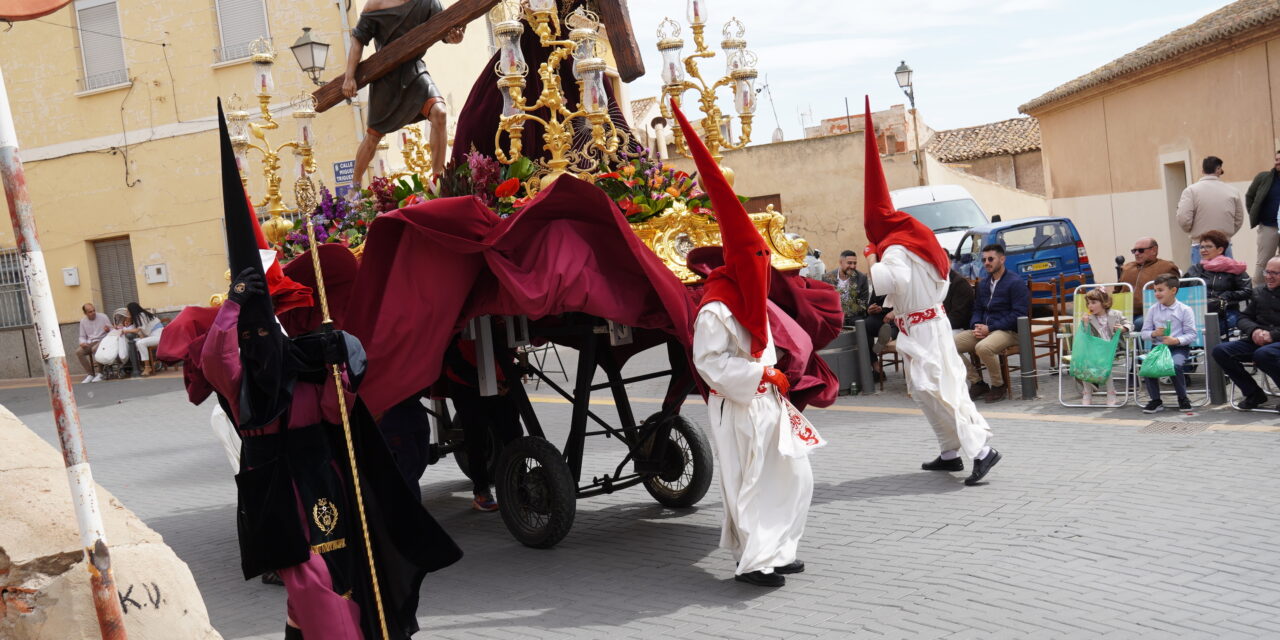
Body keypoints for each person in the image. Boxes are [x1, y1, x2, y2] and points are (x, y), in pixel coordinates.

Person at [676, 100, 819, 588]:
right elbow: (709, 362)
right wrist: (760, 375)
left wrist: (773, 375)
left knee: (794, 476)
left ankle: (779, 548)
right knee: (753, 482)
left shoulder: (750, 299)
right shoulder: (716, 308)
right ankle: (756, 561)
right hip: (740, 406)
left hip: (769, 402)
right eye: (757, 257)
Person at [861, 97, 1000, 486]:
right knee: (926, 390)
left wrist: (874, 257)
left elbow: (891, 284)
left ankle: (981, 451)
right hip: (926, 324)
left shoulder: (893, 249)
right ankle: (950, 451)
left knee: (938, 388)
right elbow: (937, 282)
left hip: (923, 328)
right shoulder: (919, 240)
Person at [342, 0, 465, 186]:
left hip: (414, 71)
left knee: (439, 112)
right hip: (386, 78)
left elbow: (445, 30)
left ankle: (438, 180)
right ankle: (355, 187)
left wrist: (454, 37)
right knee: (373, 136)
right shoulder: (375, 5)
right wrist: (349, 76)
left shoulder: (428, 2)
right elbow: (358, 41)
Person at [443, 335, 522, 512]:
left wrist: (509, 379)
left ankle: (520, 485)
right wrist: (483, 382)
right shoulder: (459, 322)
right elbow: (453, 358)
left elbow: (512, 347)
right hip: (466, 384)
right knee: (476, 438)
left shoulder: (502, 318)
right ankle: (481, 492)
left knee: (514, 434)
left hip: (500, 379)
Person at [954, 243, 1030, 403]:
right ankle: (977, 382)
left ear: (1002, 259)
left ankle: (998, 385)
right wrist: (976, 325)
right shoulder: (983, 284)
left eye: (991, 259)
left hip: (1009, 331)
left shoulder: (1015, 282)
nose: (987, 262)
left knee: (983, 348)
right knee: (946, 346)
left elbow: (1018, 314)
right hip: (986, 329)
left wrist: (991, 328)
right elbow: (977, 309)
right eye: (984, 260)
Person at [1213, 256, 1280, 411]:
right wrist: (1254, 330)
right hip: (1258, 340)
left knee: (1264, 354)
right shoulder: (1259, 292)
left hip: (1275, 342)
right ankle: (1253, 393)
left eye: (1275, 273)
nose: (1268, 276)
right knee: (1220, 351)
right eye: (1267, 272)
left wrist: (1272, 335)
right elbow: (1243, 317)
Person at [1139, 274, 1197, 414]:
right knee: (1149, 365)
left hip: (1178, 348)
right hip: (1158, 347)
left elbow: (1192, 334)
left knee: (1175, 365)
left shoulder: (1185, 310)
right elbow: (1144, 333)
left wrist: (1176, 340)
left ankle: (1183, 398)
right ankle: (1156, 400)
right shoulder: (1153, 310)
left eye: (1160, 290)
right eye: (1155, 291)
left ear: (1173, 290)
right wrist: (1154, 334)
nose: (1157, 294)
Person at [1176, 155, 1245, 265]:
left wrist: (1192, 231)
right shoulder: (1232, 191)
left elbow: (1183, 218)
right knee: (1226, 279)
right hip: (1224, 244)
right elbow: (1238, 219)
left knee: (1201, 280)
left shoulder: (1191, 191)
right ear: (1218, 169)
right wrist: (1225, 234)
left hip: (1200, 244)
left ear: (1203, 170)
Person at [1184, 229, 1250, 337]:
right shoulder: (1195, 269)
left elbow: (1247, 291)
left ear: (1220, 250)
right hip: (1198, 312)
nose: (1203, 250)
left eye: (1208, 246)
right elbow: (1181, 288)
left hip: (1226, 312)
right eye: (1201, 247)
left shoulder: (1234, 268)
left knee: (1212, 330)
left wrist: (1227, 296)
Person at [1078, 288, 1131, 407]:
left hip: (1114, 348)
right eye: (1088, 303)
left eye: (1093, 303)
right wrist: (1085, 324)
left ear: (1104, 302)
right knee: (1084, 360)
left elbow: (1129, 323)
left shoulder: (1116, 314)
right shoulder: (1088, 318)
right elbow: (1084, 336)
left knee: (1102, 361)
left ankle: (1111, 392)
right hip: (1095, 349)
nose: (1090, 306)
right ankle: (1087, 392)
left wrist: (1124, 328)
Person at [1119, 237, 1180, 330]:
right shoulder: (1127, 268)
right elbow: (1117, 292)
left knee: (1139, 323)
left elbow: (1176, 293)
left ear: (1154, 250)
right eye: (1134, 251)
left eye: (1140, 250)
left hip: (1155, 313)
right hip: (1126, 314)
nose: (1136, 253)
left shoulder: (1167, 267)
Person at [1245, 151, 1280, 282]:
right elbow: (1250, 196)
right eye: (1276, 159)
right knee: (1264, 262)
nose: (1278, 162)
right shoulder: (1264, 178)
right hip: (1268, 226)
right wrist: (1255, 214)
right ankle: (1258, 293)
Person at [821, 250, 870, 326]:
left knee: (864, 323)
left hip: (854, 316)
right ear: (840, 262)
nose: (853, 266)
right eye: (849, 263)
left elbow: (863, 304)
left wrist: (847, 314)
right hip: (833, 315)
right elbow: (824, 301)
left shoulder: (862, 278)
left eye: (855, 263)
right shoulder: (827, 278)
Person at [123, 302, 164, 377]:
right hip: (153, 336)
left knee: (140, 343)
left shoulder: (141, 315)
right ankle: (140, 365)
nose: (127, 312)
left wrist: (125, 330)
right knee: (135, 342)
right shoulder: (138, 318)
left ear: (132, 310)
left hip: (159, 336)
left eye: (128, 311)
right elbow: (141, 334)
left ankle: (147, 367)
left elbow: (137, 331)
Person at [76, 302, 111, 383]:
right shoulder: (83, 321)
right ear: (85, 313)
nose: (93, 313)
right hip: (90, 341)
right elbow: (82, 336)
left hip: (103, 339)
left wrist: (108, 330)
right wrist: (82, 342)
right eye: (90, 312)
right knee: (79, 352)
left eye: (94, 310)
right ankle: (90, 374)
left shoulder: (103, 316)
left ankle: (101, 373)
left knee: (95, 349)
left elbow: (112, 331)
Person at [943, 269, 975, 333]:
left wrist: (939, 325)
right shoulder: (940, 281)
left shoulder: (960, 283)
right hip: (946, 324)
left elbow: (958, 317)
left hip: (958, 327)